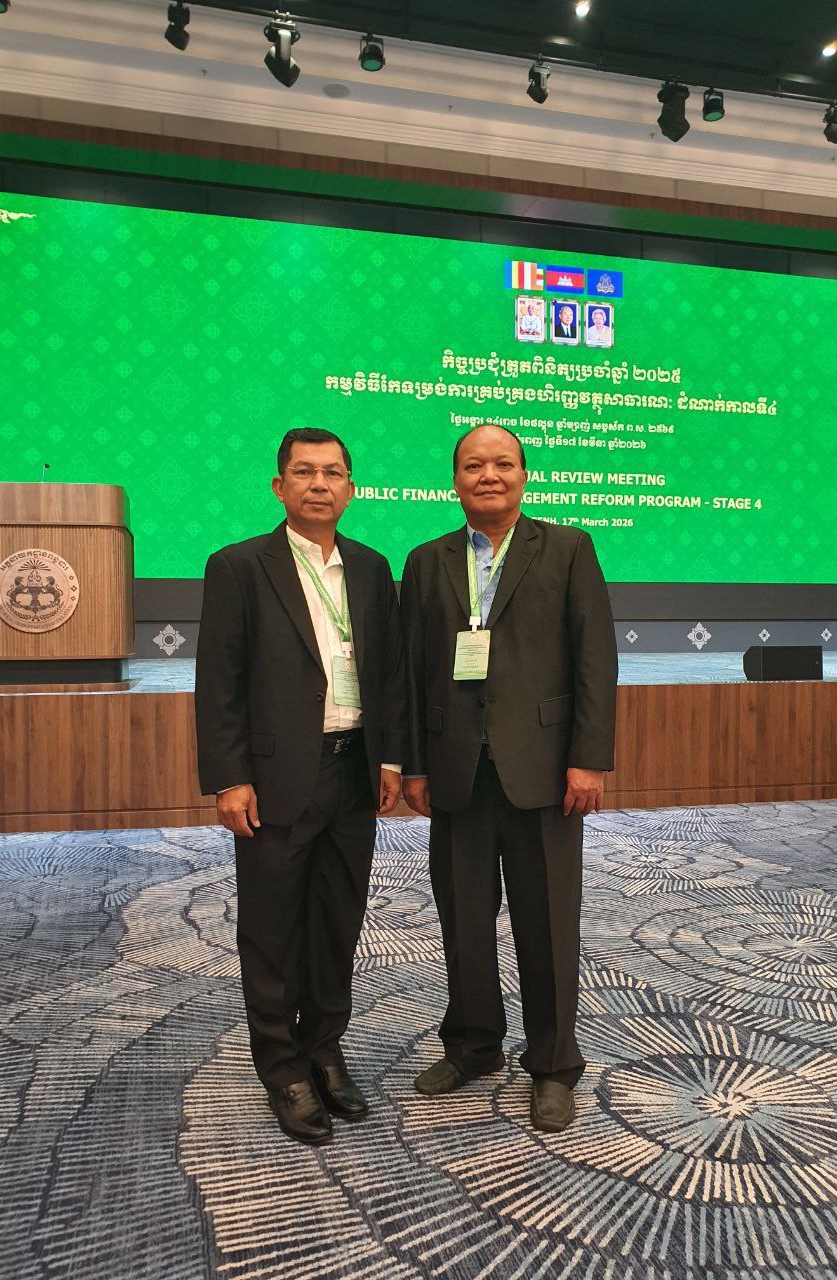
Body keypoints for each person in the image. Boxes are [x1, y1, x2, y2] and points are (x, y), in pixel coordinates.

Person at [400, 423, 617, 1133]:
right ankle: (473, 1045)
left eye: (502, 463)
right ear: (454, 480)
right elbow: (413, 671)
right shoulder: (427, 560)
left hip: (545, 771)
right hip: (457, 770)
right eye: (472, 465)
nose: (487, 475)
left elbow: (595, 659)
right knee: (463, 918)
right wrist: (416, 764)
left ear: (524, 474)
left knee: (546, 922)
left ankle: (552, 1065)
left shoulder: (568, 548)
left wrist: (589, 758)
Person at [195, 427, 407, 1146]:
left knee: (337, 920)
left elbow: (386, 674)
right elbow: (219, 683)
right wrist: (230, 776)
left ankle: (323, 1047)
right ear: (279, 486)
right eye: (305, 472)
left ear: (352, 488)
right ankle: (281, 1066)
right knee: (272, 927)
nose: (320, 484)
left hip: (353, 768)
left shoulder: (372, 568)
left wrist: (389, 760)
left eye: (334, 473)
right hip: (278, 775)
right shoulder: (238, 566)